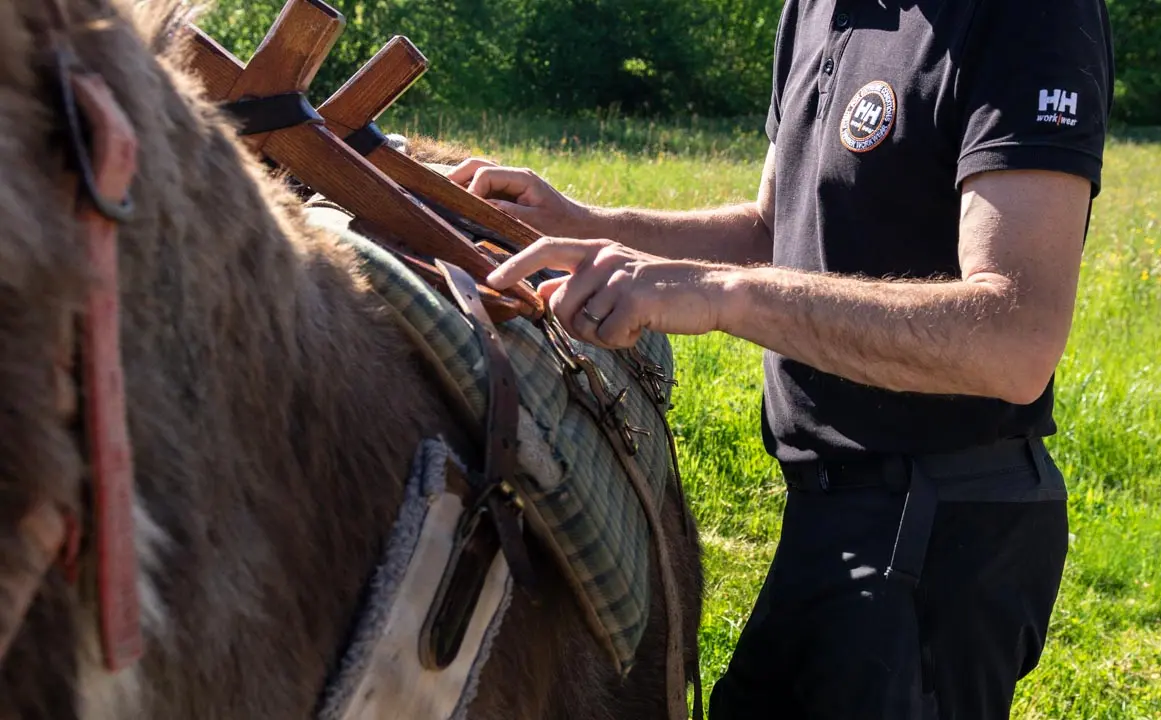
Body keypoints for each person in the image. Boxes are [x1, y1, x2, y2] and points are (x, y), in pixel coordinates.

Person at [451, 0, 1114, 716]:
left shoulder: (1030, 17)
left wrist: (721, 296)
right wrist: (579, 225)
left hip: (940, 531)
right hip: (826, 510)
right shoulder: (817, 7)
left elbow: (1013, 338)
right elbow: (776, 229)